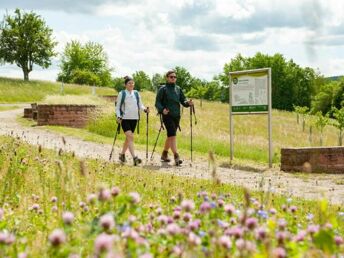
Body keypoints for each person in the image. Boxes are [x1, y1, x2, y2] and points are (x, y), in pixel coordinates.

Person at [155, 70, 193, 166]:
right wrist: (162, 109)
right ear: (167, 78)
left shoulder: (178, 89)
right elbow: (157, 102)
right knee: (173, 135)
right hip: (167, 115)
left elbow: (183, 100)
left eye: (175, 77)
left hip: (177, 115)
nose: (173, 78)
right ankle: (176, 156)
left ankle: (164, 154)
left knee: (170, 135)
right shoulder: (162, 89)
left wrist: (188, 103)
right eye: (171, 77)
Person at [115, 76, 149, 166]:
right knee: (130, 137)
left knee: (128, 138)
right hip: (124, 119)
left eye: (132, 83)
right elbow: (117, 107)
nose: (131, 84)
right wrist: (118, 116)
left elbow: (140, 105)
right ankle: (135, 158)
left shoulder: (136, 93)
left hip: (134, 119)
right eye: (129, 83)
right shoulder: (122, 93)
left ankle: (122, 155)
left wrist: (145, 109)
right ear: (125, 85)